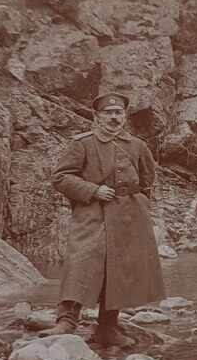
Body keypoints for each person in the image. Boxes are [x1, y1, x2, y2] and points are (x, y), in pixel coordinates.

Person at [45, 92, 166, 347]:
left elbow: (147, 180)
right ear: (97, 117)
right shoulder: (83, 144)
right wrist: (92, 190)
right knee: (82, 261)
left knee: (120, 270)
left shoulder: (137, 145)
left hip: (129, 217)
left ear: (124, 116)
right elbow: (61, 178)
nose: (114, 117)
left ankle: (108, 327)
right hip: (92, 214)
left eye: (118, 113)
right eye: (108, 113)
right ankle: (66, 321)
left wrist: (139, 203)